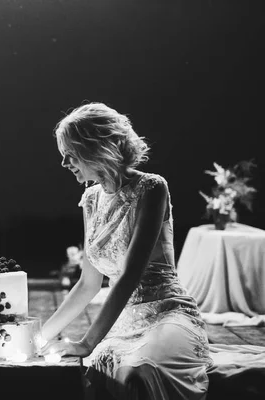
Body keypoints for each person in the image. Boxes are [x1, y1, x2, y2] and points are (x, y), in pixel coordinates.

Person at [39, 102, 213, 399]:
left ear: (94, 148)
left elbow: (131, 274)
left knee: (139, 372)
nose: (64, 163)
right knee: (105, 370)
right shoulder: (91, 199)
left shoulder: (152, 188)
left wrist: (87, 343)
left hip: (166, 313)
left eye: (70, 154)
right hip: (122, 322)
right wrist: (38, 337)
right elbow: (87, 285)